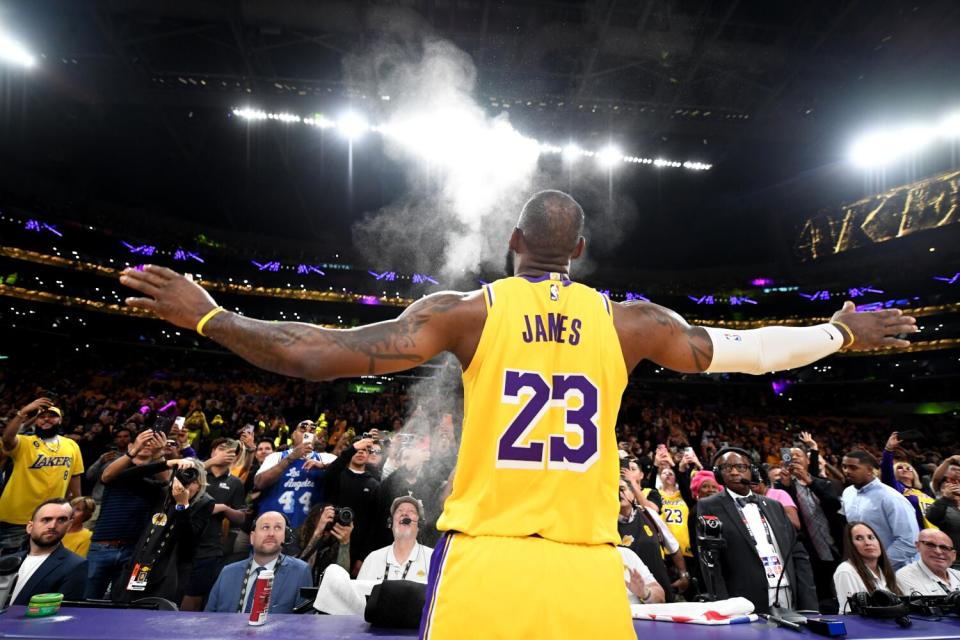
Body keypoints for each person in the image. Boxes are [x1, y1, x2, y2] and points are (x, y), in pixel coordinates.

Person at [121, 189, 917, 639]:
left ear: (512, 242)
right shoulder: (629, 323)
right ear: (579, 254)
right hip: (584, 568)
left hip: (484, 563)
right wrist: (839, 330)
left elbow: (312, 352)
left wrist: (209, 316)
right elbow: (746, 350)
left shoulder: (466, 312)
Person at [698, 449, 818, 613]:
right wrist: (723, 606)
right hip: (744, 600)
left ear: (752, 471)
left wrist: (810, 605)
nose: (734, 472)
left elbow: (797, 554)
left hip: (788, 593)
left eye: (740, 467)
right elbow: (711, 563)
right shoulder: (709, 505)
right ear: (718, 474)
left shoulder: (774, 505)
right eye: (726, 467)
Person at [112, 458, 213, 603]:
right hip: (140, 564)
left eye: (194, 482)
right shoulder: (161, 492)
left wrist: (182, 506)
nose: (188, 486)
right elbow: (123, 477)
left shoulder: (204, 503)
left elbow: (188, 542)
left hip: (169, 572)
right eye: (184, 478)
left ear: (201, 485)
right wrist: (166, 464)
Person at [85, 428, 168, 599]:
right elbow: (106, 476)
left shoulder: (156, 473)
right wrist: (132, 452)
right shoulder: (118, 467)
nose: (146, 445)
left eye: (151, 443)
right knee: (88, 598)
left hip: (135, 549)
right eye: (143, 441)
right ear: (131, 445)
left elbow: (166, 481)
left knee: (124, 601)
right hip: (103, 545)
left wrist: (159, 453)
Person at [0, 398, 84, 553]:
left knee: (37, 564)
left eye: (52, 416)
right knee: (7, 566)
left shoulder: (71, 445)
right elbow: (6, 439)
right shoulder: (24, 442)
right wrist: (23, 412)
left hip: (51, 518)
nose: (46, 419)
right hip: (17, 517)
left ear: (60, 420)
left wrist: (78, 504)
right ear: (35, 421)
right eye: (42, 416)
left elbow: (74, 476)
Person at [181, 438, 248, 611]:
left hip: (210, 546)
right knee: (174, 591)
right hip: (181, 542)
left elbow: (241, 518)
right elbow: (178, 488)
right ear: (212, 452)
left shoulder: (235, 483)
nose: (226, 452)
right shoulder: (195, 473)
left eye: (231, 451)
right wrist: (211, 463)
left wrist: (224, 508)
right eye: (221, 448)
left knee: (196, 596)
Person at [205, 511, 313, 614]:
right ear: (252, 537)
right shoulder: (228, 572)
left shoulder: (300, 572)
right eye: (265, 527)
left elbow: (304, 624)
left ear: (285, 537)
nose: (271, 533)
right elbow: (208, 618)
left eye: (278, 528)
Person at [776, 444, 843, 604]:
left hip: (835, 547)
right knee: (821, 595)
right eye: (790, 455)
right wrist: (784, 485)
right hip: (810, 552)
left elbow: (834, 504)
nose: (794, 457)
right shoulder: (784, 488)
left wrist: (810, 480)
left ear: (807, 460)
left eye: (798, 455)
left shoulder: (824, 483)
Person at [840, 449, 919, 571]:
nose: (847, 471)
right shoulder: (847, 493)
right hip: (866, 569)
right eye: (844, 467)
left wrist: (879, 565)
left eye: (853, 468)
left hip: (898, 570)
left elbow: (909, 541)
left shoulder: (891, 497)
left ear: (870, 470)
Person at [255, 420, 336, 529]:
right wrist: (291, 457)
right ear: (293, 435)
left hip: (310, 530)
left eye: (312, 430)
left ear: (315, 437)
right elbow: (259, 483)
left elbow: (350, 469)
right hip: (274, 528)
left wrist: (323, 466)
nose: (307, 432)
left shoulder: (326, 458)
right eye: (302, 428)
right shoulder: (275, 457)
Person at [10, 499, 87, 605]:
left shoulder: (75, 565)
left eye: (61, 520)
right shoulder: (8, 561)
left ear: (68, 526)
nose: (53, 526)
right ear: (30, 527)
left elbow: (65, 613)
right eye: (46, 520)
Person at [323, 436, 381, 573]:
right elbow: (330, 473)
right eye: (357, 449)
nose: (361, 452)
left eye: (365, 450)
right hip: (329, 543)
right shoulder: (337, 476)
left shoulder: (375, 485)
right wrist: (352, 448)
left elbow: (373, 525)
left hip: (357, 550)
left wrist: (362, 557)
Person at [617, 478, 678, 603]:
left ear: (633, 493)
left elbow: (673, 546)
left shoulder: (648, 514)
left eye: (622, 489)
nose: (618, 494)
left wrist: (683, 574)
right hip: (630, 591)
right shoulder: (607, 525)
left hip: (657, 586)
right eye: (614, 491)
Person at [358, 496, 432, 584]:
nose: (404, 513)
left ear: (419, 525)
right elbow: (358, 596)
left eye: (411, 511)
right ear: (390, 523)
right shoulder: (373, 559)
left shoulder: (433, 559)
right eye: (399, 511)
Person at [833, 522, 901, 613]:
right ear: (851, 545)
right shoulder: (846, 571)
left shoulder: (884, 571)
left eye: (871, 537)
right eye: (859, 538)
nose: (868, 543)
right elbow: (853, 616)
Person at [881, 432, 935, 530]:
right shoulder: (896, 488)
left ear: (914, 474)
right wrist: (888, 449)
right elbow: (886, 469)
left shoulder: (923, 492)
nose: (905, 469)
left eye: (908, 468)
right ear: (894, 473)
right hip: (913, 535)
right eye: (900, 468)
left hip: (934, 533)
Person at [296, 503, 354, 585]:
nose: (328, 524)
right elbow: (297, 573)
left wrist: (345, 544)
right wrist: (317, 533)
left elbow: (341, 582)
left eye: (332, 519)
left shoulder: (335, 543)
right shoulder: (297, 536)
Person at [895, 529, 960, 595]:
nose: (938, 551)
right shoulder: (906, 576)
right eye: (930, 545)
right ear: (918, 546)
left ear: (953, 555)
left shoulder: (957, 575)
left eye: (944, 548)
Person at [927, 466, 960, 555]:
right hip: (953, 559)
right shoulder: (942, 506)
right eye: (948, 486)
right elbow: (931, 517)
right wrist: (945, 498)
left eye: (957, 484)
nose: (954, 487)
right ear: (942, 491)